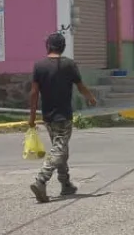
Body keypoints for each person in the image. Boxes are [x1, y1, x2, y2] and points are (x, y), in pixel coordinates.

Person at [28, 31, 98, 203]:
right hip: (64, 116)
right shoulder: (69, 65)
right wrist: (91, 98)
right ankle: (41, 179)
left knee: (60, 148)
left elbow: (34, 93)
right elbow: (81, 87)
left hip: (48, 117)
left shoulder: (39, 66)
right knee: (59, 150)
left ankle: (65, 184)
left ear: (48, 46)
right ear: (63, 47)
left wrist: (31, 117)